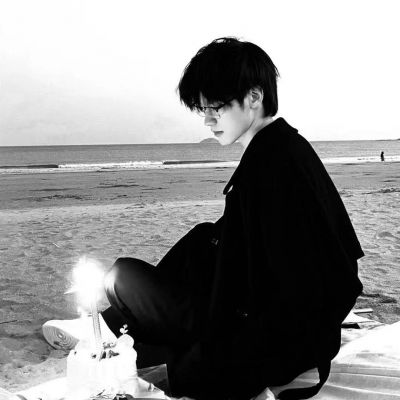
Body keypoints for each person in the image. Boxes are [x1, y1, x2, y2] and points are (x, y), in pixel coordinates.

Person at [43, 37, 364, 400]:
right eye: (202, 109)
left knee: (122, 276)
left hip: (261, 340)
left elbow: (306, 287)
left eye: (216, 107)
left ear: (254, 96)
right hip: (267, 325)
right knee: (204, 237)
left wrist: (220, 351)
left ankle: (108, 326)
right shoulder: (283, 148)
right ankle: (108, 325)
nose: (208, 119)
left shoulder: (271, 167)